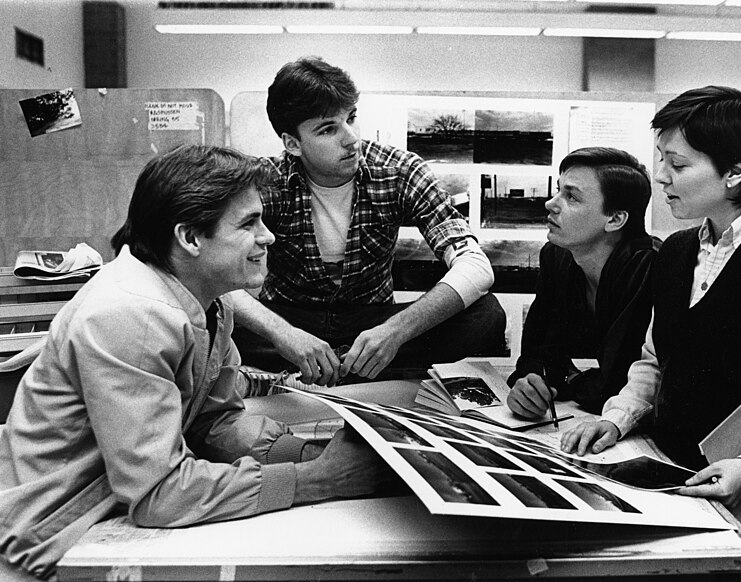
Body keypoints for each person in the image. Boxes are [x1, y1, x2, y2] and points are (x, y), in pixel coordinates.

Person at [0, 145, 394, 581]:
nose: (269, 237)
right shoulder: (130, 315)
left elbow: (214, 426)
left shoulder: (209, 301)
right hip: (49, 536)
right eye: (248, 223)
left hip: (111, 505)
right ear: (189, 238)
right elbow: (161, 496)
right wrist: (320, 479)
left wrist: (313, 454)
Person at [561, 86, 741, 508]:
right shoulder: (674, 252)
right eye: (662, 160)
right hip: (671, 475)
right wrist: (617, 419)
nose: (661, 176)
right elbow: (656, 361)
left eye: (678, 164)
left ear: (735, 172)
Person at [229, 56, 506, 387]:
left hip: (372, 321)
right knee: (213, 315)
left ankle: (330, 369)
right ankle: (354, 371)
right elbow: (203, 270)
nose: (351, 138)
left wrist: (395, 331)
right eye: (328, 129)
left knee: (486, 314)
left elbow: (476, 266)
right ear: (292, 144)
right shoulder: (267, 180)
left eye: (351, 118)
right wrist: (282, 333)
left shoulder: (398, 170)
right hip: (290, 319)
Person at [506, 147, 659, 416]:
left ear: (615, 219)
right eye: (558, 190)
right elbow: (536, 352)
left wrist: (567, 378)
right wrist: (529, 384)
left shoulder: (649, 267)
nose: (550, 204)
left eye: (571, 197)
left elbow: (615, 384)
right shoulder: (556, 255)